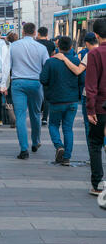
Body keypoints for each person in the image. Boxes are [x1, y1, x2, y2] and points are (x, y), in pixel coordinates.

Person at [4, 23, 49, 159]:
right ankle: (35, 141)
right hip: (36, 83)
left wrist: (3, 85)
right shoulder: (41, 48)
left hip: (18, 83)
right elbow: (46, 67)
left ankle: (24, 149)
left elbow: (6, 66)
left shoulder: (13, 46)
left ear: (23, 32)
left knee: (21, 116)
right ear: (35, 32)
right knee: (35, 114)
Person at [53, 32, 99, 151]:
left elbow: (78, 71)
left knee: (89, 126)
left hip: (89, 94)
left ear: (87, 43)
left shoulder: (90, 54)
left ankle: (93, 155)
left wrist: (64, 59)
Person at [40, 36, 81, 166]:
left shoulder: (50, 62)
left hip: (56, 100)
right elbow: (82, 80)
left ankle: (59, 146)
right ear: (71, 47)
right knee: (68, 128)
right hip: (72, 100)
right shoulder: (76, 60)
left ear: (58, 47)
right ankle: (67, 158)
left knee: (53, 125)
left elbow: (43, 79)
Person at [85, 19, 106, 196]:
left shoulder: (95, 54)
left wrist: (90, 109)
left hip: (100, 107)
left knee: (95, 144)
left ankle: (98, 184)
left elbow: (91, 85)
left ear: (97, 36)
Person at [36, 27, 56, 126]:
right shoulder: (51, 44)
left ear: (38, 34)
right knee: (46, 95)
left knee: (37, 94)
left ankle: (37, 112)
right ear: (47, 34)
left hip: (36, 71)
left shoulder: (35, 43)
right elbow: (52, 55)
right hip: (47, 71)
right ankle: (45, 118)